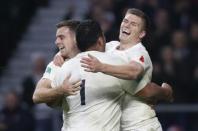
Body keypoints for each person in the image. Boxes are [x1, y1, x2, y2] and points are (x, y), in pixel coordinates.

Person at [80, 8, 169, 130]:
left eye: (133, 24)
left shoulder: (140, 52)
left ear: (141, 34)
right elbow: (85, 47)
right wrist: (60, 55)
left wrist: (101, 67)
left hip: (141, 125)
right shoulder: (110, 46)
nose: (127, 25)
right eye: (125, 21)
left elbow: (134, 71)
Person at [32, 20, 81, 105]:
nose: (57, 42)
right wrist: (61, 90)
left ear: (76, 38)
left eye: (61, 37)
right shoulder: (56, 64)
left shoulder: (98, 54)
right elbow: (37, 96)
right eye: (57, 38)